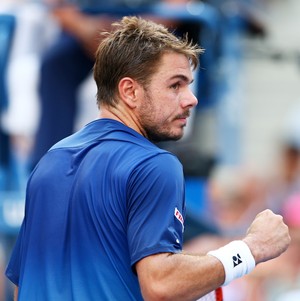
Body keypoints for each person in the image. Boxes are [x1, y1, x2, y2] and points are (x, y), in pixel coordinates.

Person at [6, 16, 290, 301]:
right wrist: (251, 249)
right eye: (175, 85)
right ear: (130, 91)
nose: (191, 99)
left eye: (189, 85)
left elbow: (21, 288)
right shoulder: (153, 164)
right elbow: (161, 285)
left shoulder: (48, 162)